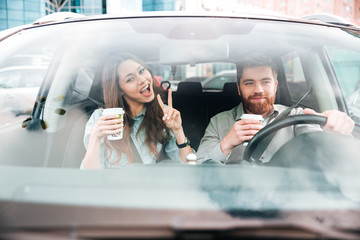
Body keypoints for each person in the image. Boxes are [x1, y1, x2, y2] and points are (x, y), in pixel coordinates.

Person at [196, 53, 355, 164]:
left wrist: (336, 129)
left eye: (265, 82)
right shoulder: (219, 122)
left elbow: (319, 145)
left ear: (275, 86)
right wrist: (226, 144)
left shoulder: (297, 116)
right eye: (249, 83)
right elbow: (198, 168)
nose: (258, 89)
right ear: (239, 88)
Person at [81, 54, 193, 169]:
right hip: (112, 186)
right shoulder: (101, 119)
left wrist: (178, 131)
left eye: (142, 71)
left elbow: (191, 165)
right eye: (130, 79)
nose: (142, 80)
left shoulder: (162, 114)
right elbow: (90, 176)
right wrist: (96, 137)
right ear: (120, 90)